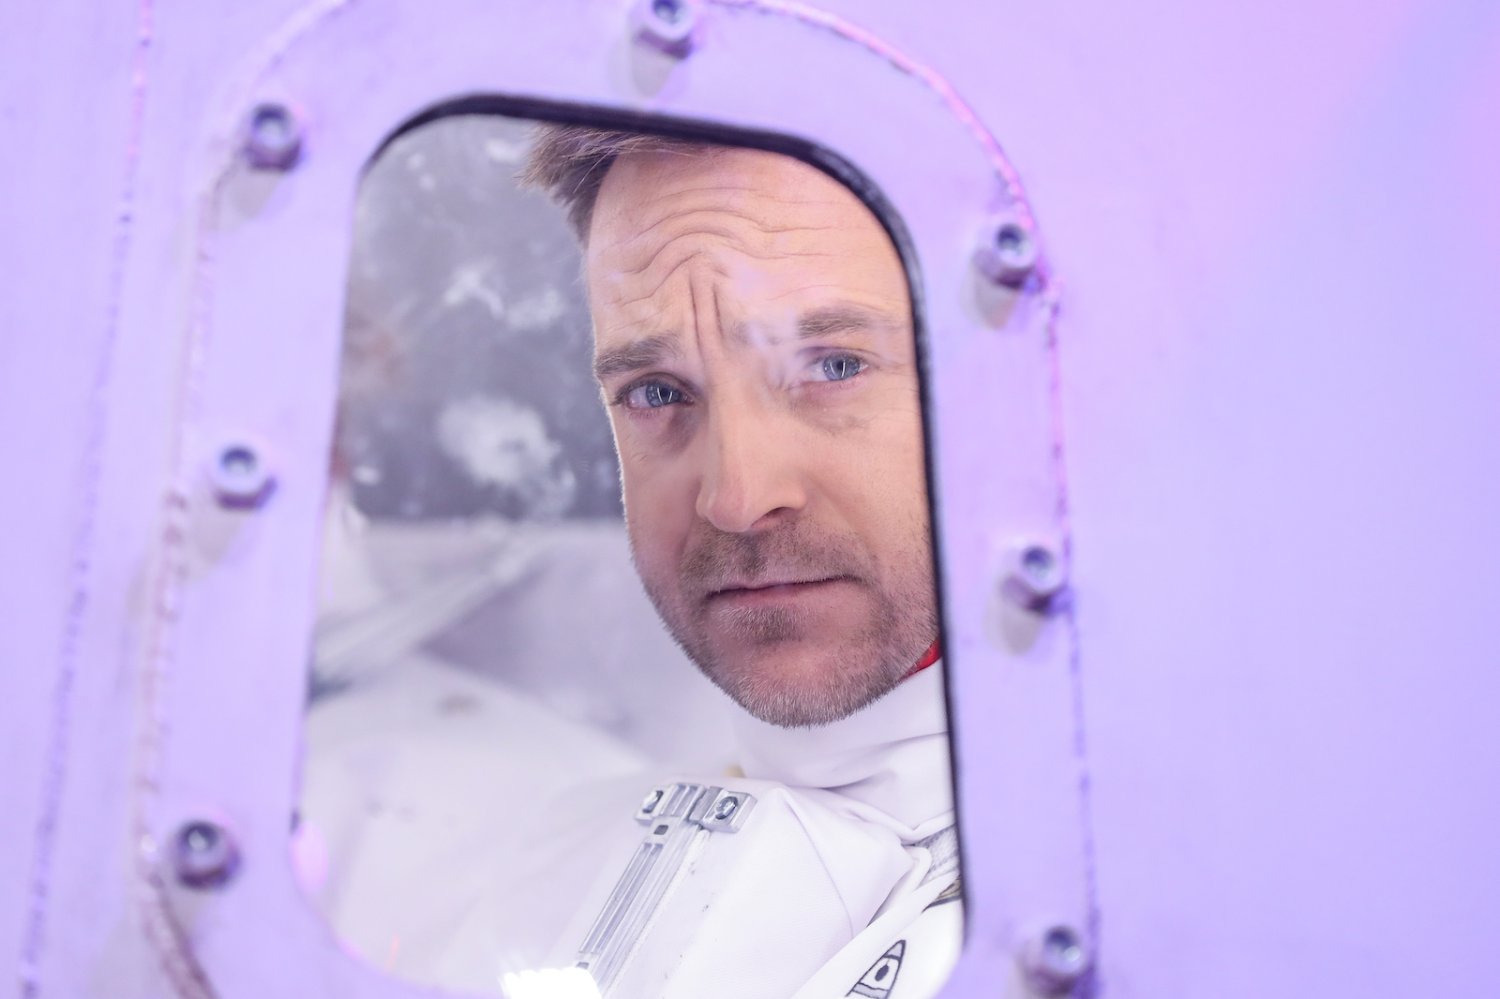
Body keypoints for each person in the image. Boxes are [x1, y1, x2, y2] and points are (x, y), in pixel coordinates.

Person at [514, 126, 961, 999]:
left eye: (834, 365)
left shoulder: (1183, 905)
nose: (737, 495)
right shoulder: (551, 866)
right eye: (658, 392)